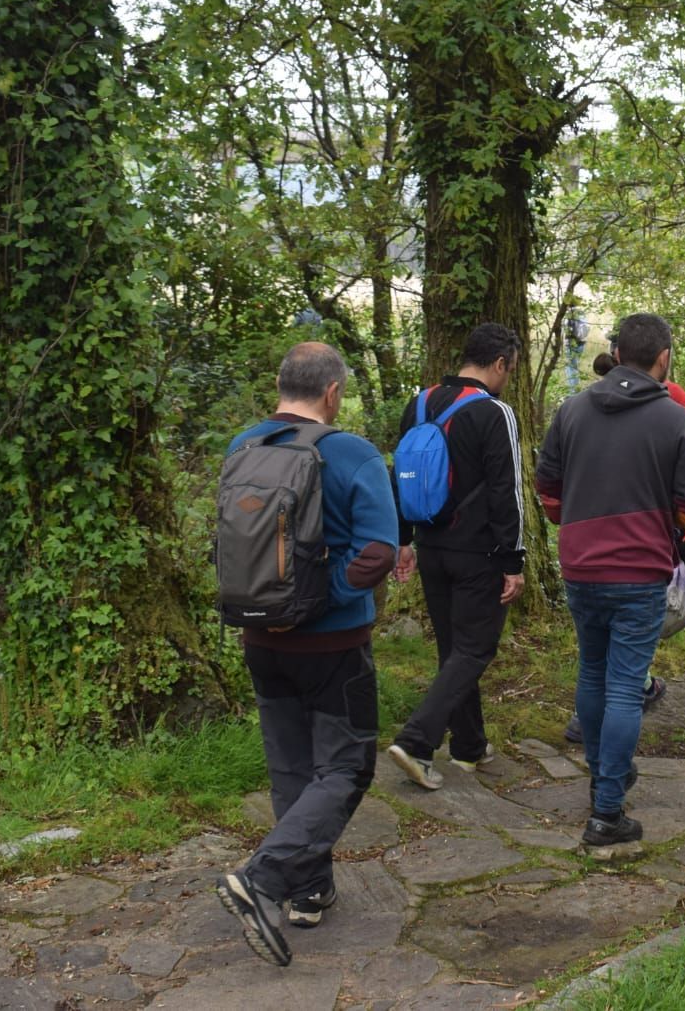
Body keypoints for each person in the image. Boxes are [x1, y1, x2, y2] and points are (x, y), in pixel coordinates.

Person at [216, 342, 398, 967]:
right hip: (334, 644)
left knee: (292, 767)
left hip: (260, 637)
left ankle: (309, 888)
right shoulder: (351, 453)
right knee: (347, 768)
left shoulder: (244, 445)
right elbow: (378, 551)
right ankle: (262, 878)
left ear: (279, 385)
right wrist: (325, 598)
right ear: (333, 393)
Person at [535, 314, 685, 847]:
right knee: (622, 686)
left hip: (582, 567)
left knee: (593, 672)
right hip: (639, 570)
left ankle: (605, 776)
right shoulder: (674, 418)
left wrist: (584, 519)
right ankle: (607, 811)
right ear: (663, 358)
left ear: (616, 352)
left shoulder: (571, 410)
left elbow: (549, 496)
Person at [386, 324, 526, 792]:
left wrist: (403, 538)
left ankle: (468, 745)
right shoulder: (493, 412)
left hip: (430, 547)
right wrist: (514, 560)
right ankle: (418, 741)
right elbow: (508, 491)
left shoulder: (419, 403)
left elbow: (400, 473)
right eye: (510, 369)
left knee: (454, 651)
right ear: (500, 363)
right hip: (478, 553)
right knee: (475, 649)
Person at [564, 304, 591, 389]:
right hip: (581, 342)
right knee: (574, 366)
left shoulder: (569, 313)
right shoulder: (581, 312)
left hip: (571, 343)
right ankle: (576, 388)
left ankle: (573, 390)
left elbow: (565, 328)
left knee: (571, 367)